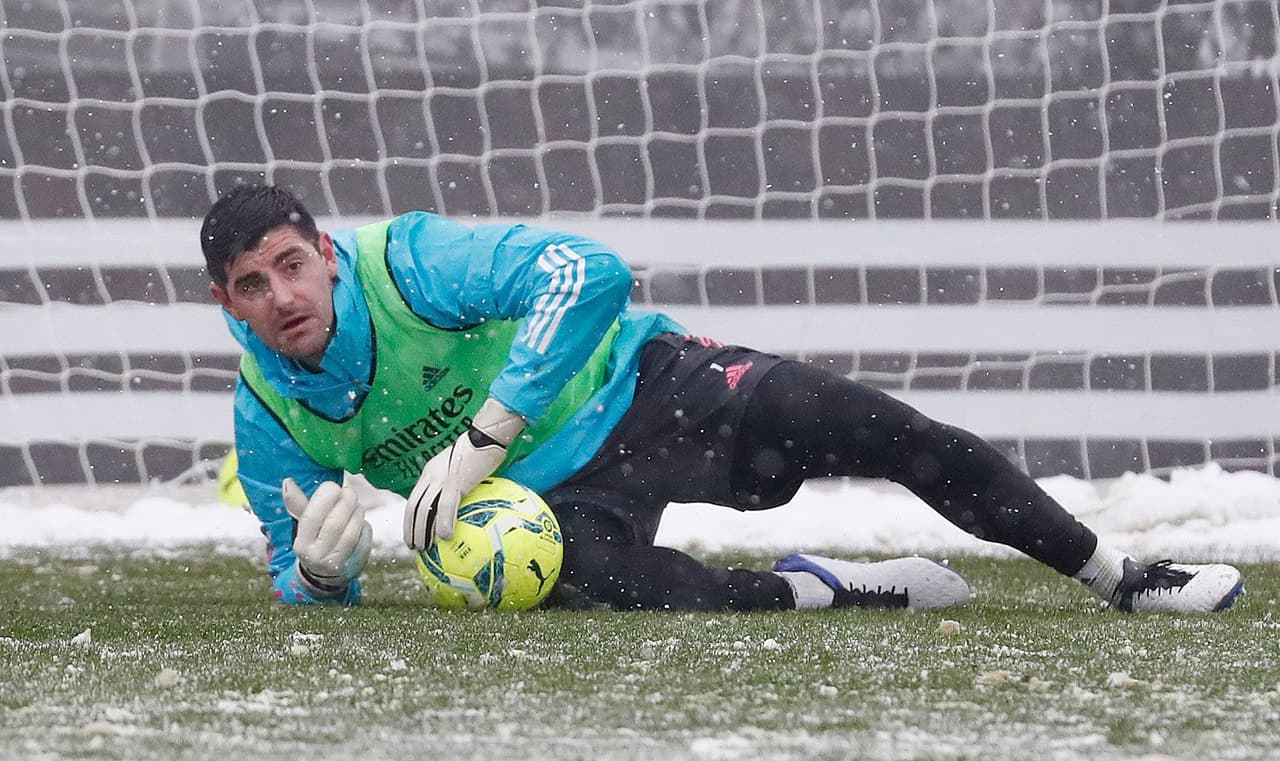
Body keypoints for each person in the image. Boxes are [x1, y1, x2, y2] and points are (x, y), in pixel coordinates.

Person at [201, 184, 1244, 613]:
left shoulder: (413, 260)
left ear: (327, 255)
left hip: (654, 386)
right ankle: (833, 588)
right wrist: (321, 573)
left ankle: (1119, 574)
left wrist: (481, 436)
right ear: (229, 303)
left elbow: (587, 269)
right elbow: (294, 570)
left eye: (292, 264)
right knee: (642, 595)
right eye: (254, 284)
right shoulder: (265, 409)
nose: (282, 295)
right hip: (544, 508)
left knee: (887, 430)